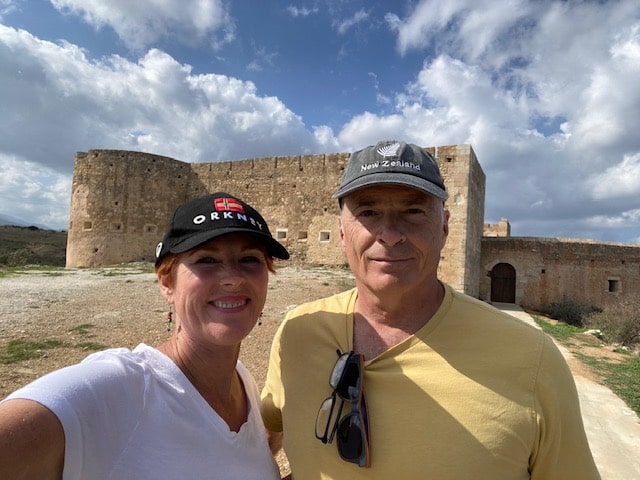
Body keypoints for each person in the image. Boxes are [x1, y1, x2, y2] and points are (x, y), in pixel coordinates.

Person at [261, 140, 600, 479]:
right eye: (368, 212)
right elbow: (262, 434)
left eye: (414, 211)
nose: (391, 235)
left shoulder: (532, 359)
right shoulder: (299, 331)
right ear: (340, 232)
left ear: (444, 226)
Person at [0, 192, 289, 479]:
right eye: (207, 260)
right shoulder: (120, 388)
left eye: (250, 259)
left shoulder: (243, 382)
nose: (233, 277)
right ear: (167, 283)